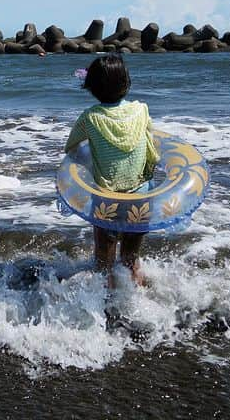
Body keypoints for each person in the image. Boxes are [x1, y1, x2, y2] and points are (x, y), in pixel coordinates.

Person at [66, 54, 160, 286]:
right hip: (141, 195)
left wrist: (93, 151)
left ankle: (106, 299)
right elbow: (150, 137)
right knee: (131, 259)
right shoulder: (141, 110)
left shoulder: (90, 117)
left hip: (108, 199)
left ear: (92, 88)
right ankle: (138, 293)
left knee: (103, 258)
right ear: (126, 82)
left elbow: (71, 147)